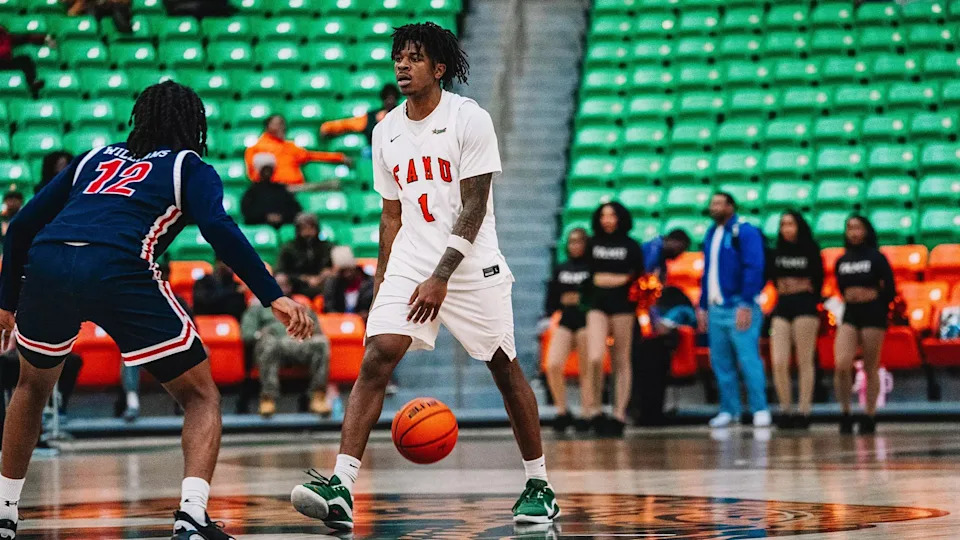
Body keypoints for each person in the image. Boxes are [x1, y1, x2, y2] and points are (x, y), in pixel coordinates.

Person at [0, 81, 314, 540]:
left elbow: (22, 225)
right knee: (201, 396)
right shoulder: (191, 167)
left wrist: (7, 301)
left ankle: (5, 512)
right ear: (194, 125)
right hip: (117, 267)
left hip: (48, 263)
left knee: (31, 388)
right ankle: (191, 516)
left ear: (140, 119)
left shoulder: (94, 157)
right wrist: (273, 294)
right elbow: (219, 230)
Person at [289, 22, 560, 530]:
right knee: (377, 355)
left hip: (472, 263)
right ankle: (342, 485)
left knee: (504, 366)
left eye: (413, 58)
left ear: (439, 68)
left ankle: (539, 483)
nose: (402, 66)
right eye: (398, 58)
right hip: (413, 259)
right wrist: (381, 285)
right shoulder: (385, 129)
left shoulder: (469, 118)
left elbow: (475, 206)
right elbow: (391, 216)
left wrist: (441, 277)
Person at [698, 192, 770, 429]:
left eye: (719, 203)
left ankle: (760, 408)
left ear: (731, 206)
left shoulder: (745, 231)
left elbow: (754, 266)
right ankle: (729, 409)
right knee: (720, 361)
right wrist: (702, 304)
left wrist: (746, 302)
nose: (714, 207)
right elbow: (708, 272)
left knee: (748, 358)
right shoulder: (711, 233)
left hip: (739, 304)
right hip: (716, 306)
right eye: (712, 203)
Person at [582, 202, 644, 437]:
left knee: (621, 360)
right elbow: (591, 277)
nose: (607, 220)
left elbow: (635, 277)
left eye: (612, 215)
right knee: (595, 356)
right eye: (604, 216)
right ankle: (595, 410)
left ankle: (619, 414)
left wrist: (608, 279)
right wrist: (614, 278)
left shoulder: (631, 245)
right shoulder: (593, 244)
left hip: (623, 307)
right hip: (597, 305)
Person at [834, 215, 895, 435]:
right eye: (849, 228)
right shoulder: (842, 260)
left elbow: (890, 289)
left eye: (858, 228)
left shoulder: (877, 258)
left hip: (873, 313)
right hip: (851, 313)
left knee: (871, 365)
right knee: (841, 364)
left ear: (866, 231)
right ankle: (845, 412)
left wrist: (872, 296)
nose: (853, 232)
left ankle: (869, 414)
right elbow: (841, 288)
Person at [242, 273, 330, 418]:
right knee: (268, 343)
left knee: (321, 342)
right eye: (278, 284)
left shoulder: (302, 307)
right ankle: (268, 397)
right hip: (273, 347)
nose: (282, 288)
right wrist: (261, 334)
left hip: (298, 346)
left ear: (290, 287)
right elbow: (247, 334)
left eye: (284, 284)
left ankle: (318, 395)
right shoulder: (258, 308)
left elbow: (316, 331)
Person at [769, 211, 823, 430]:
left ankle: (804, 410)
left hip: (805, 307)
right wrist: (796, 283)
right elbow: (774, 279)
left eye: (790, 224)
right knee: (779, 361)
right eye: (783, 224)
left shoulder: (810, 250)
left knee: (804, 360)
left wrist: (801, 286)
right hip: (782, 305)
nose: (786, 228)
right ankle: (785, 409)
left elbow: (817, 281)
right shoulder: (776, 252)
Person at [543, 228, 592, 434]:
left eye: (579, 242)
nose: (575, 245)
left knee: (586, 369)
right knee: (552, 364)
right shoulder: (561, 268)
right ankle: (562, 410)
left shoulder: (592, 267)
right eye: (571, 242)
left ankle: (587, 412)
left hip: (587, 321)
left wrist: (581, 300)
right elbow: (552, 299)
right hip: (566, 320)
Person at [244, 115, 350, 185]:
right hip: (275, 190)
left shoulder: (290, 146)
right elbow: (253, 174)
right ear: (268, 127)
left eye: (283, 124)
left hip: (298, 187)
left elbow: (312, 155)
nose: (283, 127)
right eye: (279, 123)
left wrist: (339, 157)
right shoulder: (255, 148)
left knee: (333, 185)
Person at [321, 84, 402, 145]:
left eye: (392, 98)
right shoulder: (371, 117)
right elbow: (348, 124)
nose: (390, 101)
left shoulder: (404, 116)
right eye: (387, 98)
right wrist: (328, 127)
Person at [277, 212, 334, 297]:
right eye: (304, 228)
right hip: (296, 284)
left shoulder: (327, 247)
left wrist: (325, 274)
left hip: (322, 283)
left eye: (311, 227)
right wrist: (304, 278)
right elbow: (280, 270)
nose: (308, 232)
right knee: (280, 278)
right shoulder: (289, 248)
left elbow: (335, 266)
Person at [240, 153, 302, 228]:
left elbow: (295, 210)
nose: (267, 172)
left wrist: (281, 217)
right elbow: (248, 212)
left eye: (269, 169)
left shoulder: (281, 190)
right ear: (260, 171)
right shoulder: (252, 191)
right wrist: (266, 217)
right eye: (265, 169)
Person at [323, 246, 374, 321]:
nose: (347, 274)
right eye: (342, 271)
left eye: (350, 270)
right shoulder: (332, 285)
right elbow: (330, 308)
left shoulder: (370, 283)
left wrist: (368, 314)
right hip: (339, 323)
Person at [0, 25, 50, 98]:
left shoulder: (7, 37)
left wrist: (45, 39)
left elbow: (26, 38)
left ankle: (33, 83)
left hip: (6, 62)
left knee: (25, 60)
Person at [192, 257, 247, 323]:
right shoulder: (203, 282)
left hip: (229, 326)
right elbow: (204, 303)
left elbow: (239, 313)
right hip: (205, 324)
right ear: (218, 263)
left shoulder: (236, 286)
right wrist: (232, 291)